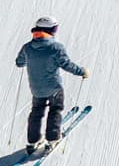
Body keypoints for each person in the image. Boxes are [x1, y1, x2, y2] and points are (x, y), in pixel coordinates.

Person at [16, 17, 88, 155]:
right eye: (54, 29)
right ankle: (53, 138)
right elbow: (67, 65)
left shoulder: (27, 47)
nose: (55, 31)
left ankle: (32, 141)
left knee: (36, 112)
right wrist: (82, 72)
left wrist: (31, 59)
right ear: (49, 30)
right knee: (55, 110)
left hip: (36, 89)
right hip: (54, 88)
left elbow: (19, 63)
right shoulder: (56, 48)